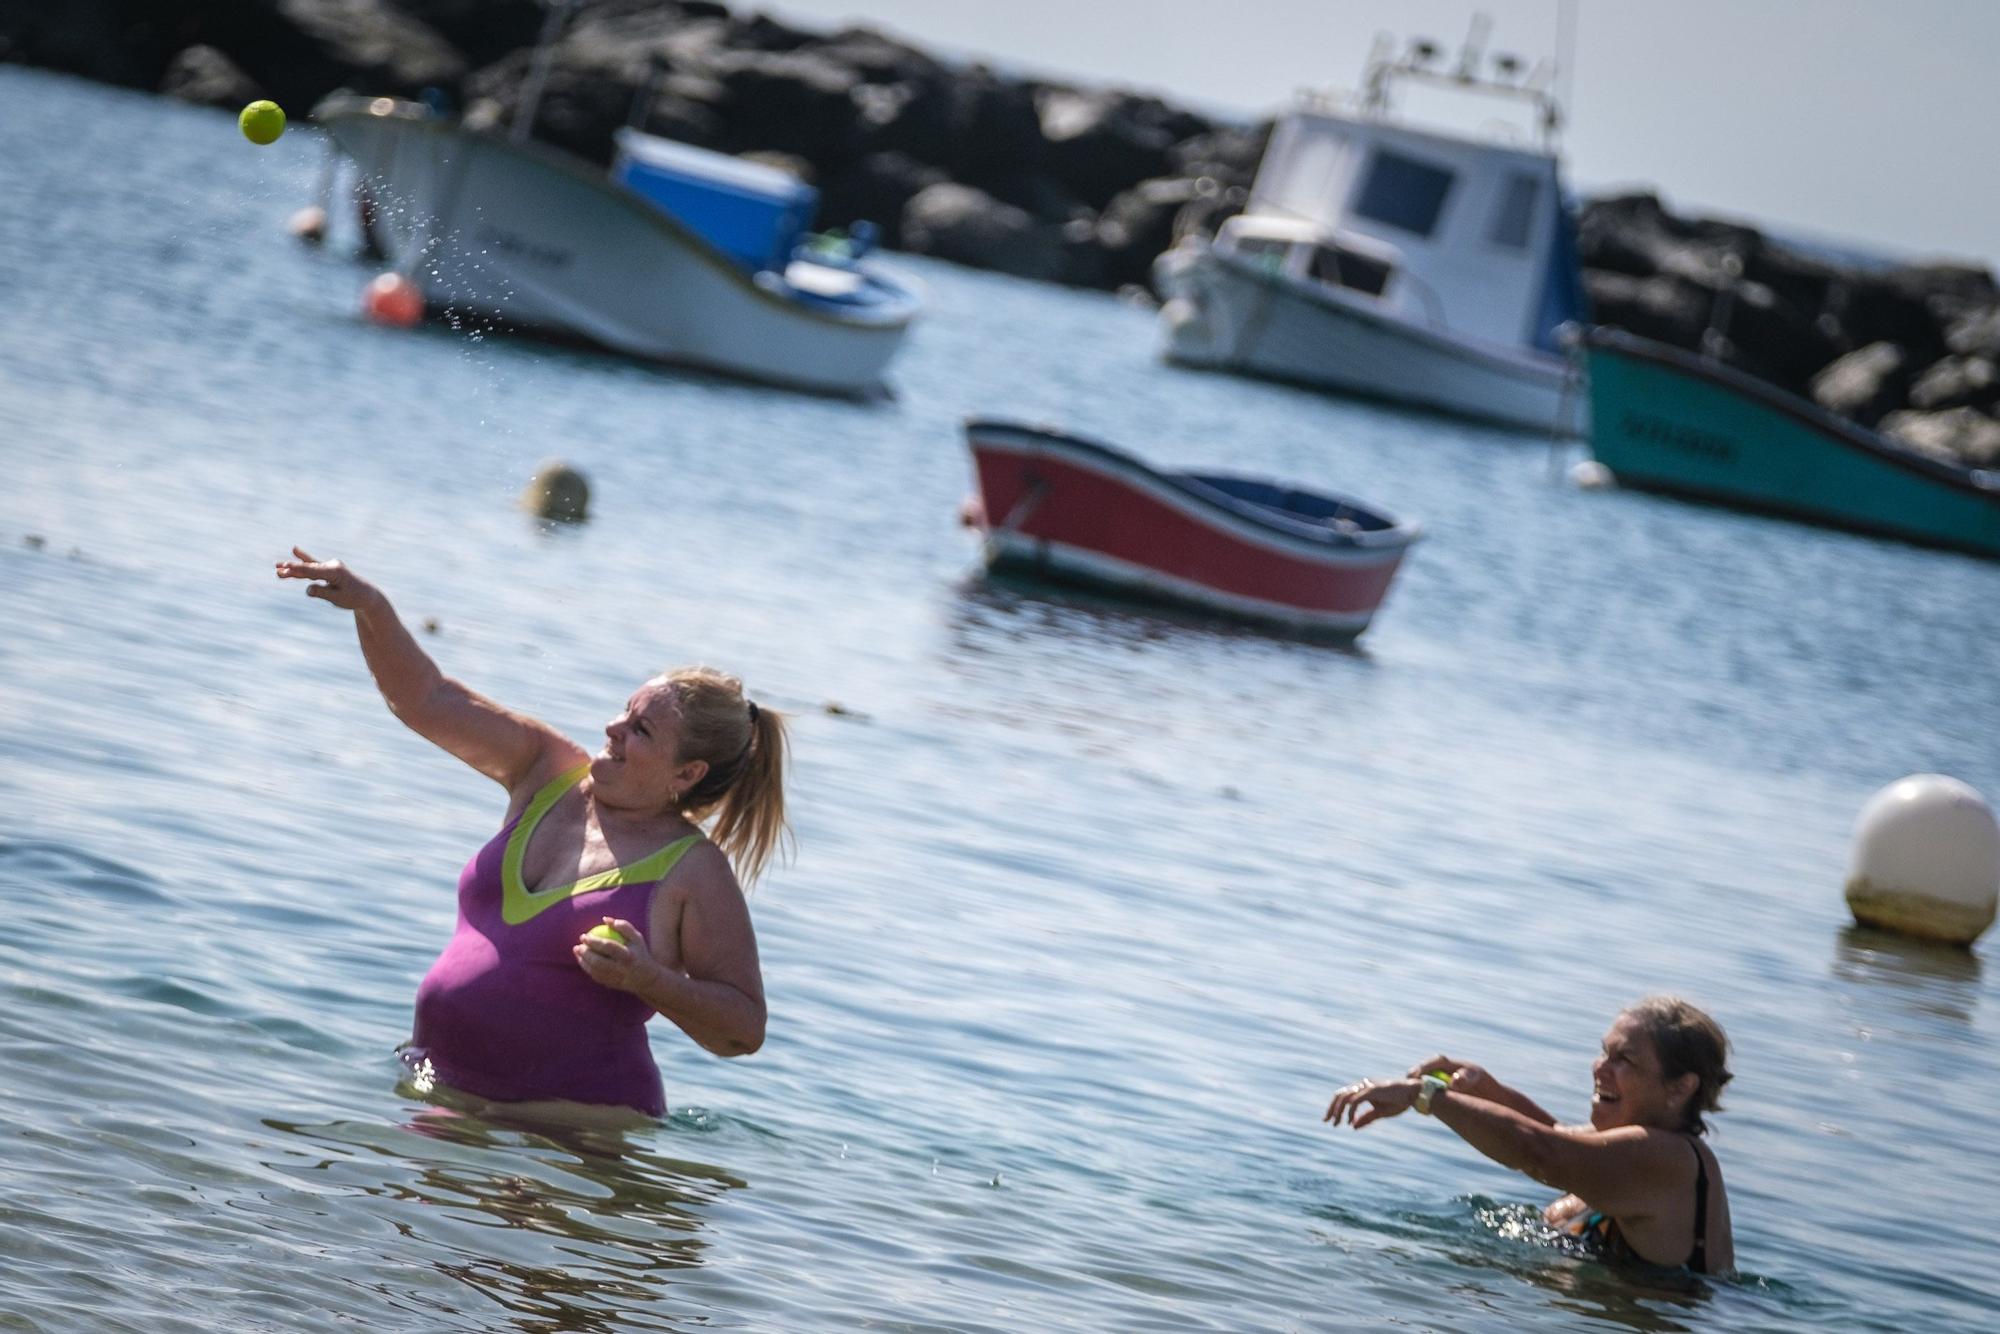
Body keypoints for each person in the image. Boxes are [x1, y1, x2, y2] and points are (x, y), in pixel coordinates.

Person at [276, 548, 784, 1124]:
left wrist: (651, 980)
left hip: (573, 1139)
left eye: (640, 729)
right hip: (443, 1088)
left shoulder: (693, 871)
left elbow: (743, 1030)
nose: (611, 728)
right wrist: (371, 607)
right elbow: (428, 699)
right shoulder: (545, 771)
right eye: (624, 710)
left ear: (687, 773)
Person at [1323, 996, 1734, 1274]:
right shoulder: (1632, 1153)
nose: (1599, 1068)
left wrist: (1425, 1096)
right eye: (1604, 1051)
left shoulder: (1670, 1159)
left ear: (1681, 1086)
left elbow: (1542, 1152)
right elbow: (1555, 1135)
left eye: (1623, 1059)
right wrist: (1488, 1090)